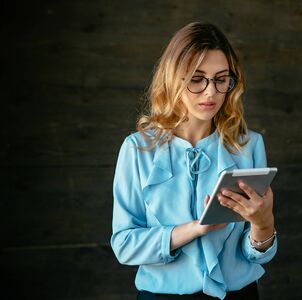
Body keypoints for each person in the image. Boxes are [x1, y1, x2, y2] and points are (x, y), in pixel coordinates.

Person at [111, 22, 278, 300]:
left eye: (221, 79)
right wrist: (195, 229)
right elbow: (124, 245)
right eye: (196, 78)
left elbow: (257, 256)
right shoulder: (137, 149)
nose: (210, 92)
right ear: (173, 78)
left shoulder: (249, 146)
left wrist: (264, 223)